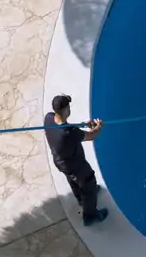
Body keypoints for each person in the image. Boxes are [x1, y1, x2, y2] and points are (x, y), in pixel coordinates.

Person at [44, 94, 109, 226]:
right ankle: (90, 216)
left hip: (60, 162)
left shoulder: (49, 118)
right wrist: (98, 127)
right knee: (89, 183)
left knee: (72, 179)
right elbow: (91, 136)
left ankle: (80, 198)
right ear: (66, 109)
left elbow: (67, 127)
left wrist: (83, 124)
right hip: (75, 166)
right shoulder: (69, 133)